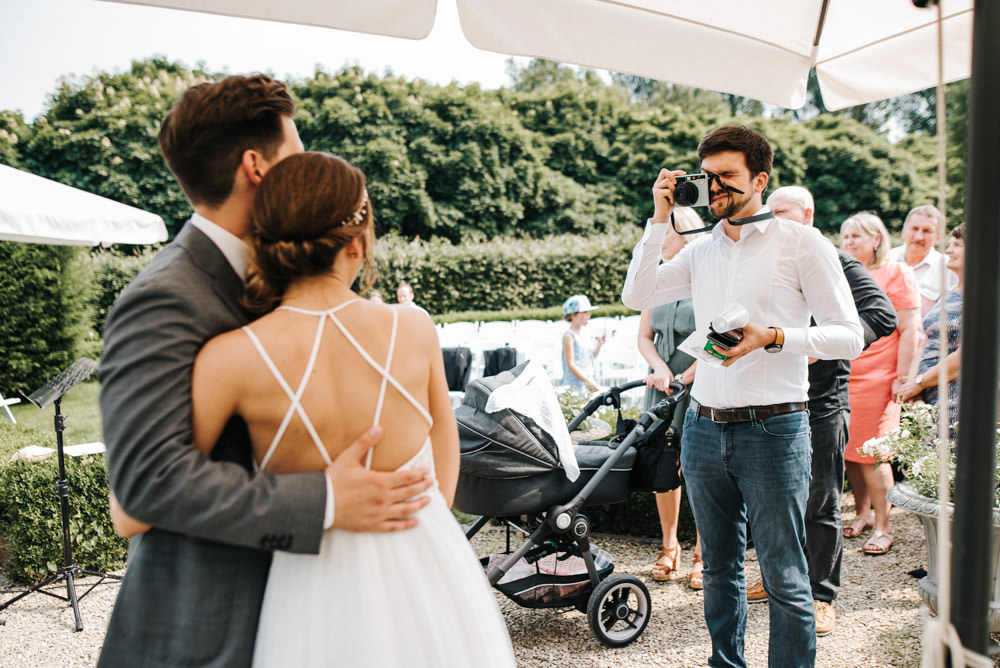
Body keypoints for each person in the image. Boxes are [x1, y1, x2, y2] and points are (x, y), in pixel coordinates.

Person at [116, 152, 515, 666]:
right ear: (356, 241)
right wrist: (424, 531)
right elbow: (445, 456)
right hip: (431, 570)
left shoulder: (231, 357)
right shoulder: (414, 328)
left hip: (308, 587)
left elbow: (132, 507)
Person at [98, 75, 433, 666]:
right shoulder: (167, 295)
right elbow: (144, 483)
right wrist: (326, 499)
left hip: (316, 615)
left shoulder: (279, 279)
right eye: (296, 151)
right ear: (256, 167)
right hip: (209, 632)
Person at [622, 125, 863, 667]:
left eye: (726, 177)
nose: (715, 189)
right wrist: (657, 218)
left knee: (783, 571)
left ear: (760, 178)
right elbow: (636, 293)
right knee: (718, 569)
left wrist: (775, 337)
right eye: (707, 178)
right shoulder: (702, 250)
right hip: (705, 429)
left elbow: (849, 334)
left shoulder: (802, 244)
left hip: (775, 430)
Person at [746, 187, 897, 635]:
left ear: (807, 214)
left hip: (822, 401)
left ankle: (820, 594)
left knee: (820, 499)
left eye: (781, 212)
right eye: (767, 212)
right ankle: (779, 578)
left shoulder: (837, 261)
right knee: (773, 500)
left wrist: (828, 345)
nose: (772, 220)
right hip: (769, 398)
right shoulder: (767, 262)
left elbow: (882, 314)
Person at [839, 212, 921, 556]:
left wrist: (902, 378)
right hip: (844, 371)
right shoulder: (841, 272)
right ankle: (862, 513)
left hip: (880, 376)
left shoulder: (897, 271)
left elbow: (910, 329)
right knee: (849, 452)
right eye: (845, 236)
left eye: (857, 236)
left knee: (873, 453)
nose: (849, 242)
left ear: (876, 239)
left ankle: (885, 524)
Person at [636, 206, 703, 589]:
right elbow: (645, 336)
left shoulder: (706, 275)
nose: (659, 243)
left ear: (687, 234)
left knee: (701, 471)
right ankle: (669, 546)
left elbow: (720, 333)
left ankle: (703, 554)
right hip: (662, 388)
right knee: (664, 468)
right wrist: (660, 370)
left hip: (700, 386)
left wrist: (690, 374)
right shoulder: (656, 279)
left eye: (666, 235)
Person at [898, 223, 965, 426]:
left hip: (955, 401)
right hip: (925, 401)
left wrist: (919, 383)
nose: (948, 250)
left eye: (956, 245)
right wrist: (912, 389)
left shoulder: (984, 298)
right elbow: (924, 343)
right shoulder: (947, 294)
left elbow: (966, 357)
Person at [888, 205, 957, 316]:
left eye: (927, 231)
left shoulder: (948, 268)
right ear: (903, 231)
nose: (919, 236)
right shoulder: (886, 260)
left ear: (938, 237)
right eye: (914, 229)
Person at [560, 294, 605, 393]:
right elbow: (570, 364)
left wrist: (599, 344)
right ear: (573, 315)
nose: (588, 315)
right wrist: (588, 382)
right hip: (575, 387)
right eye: (584, 312)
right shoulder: (569, 336)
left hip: (588, 384)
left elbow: (590, 357)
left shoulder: (585, 334)